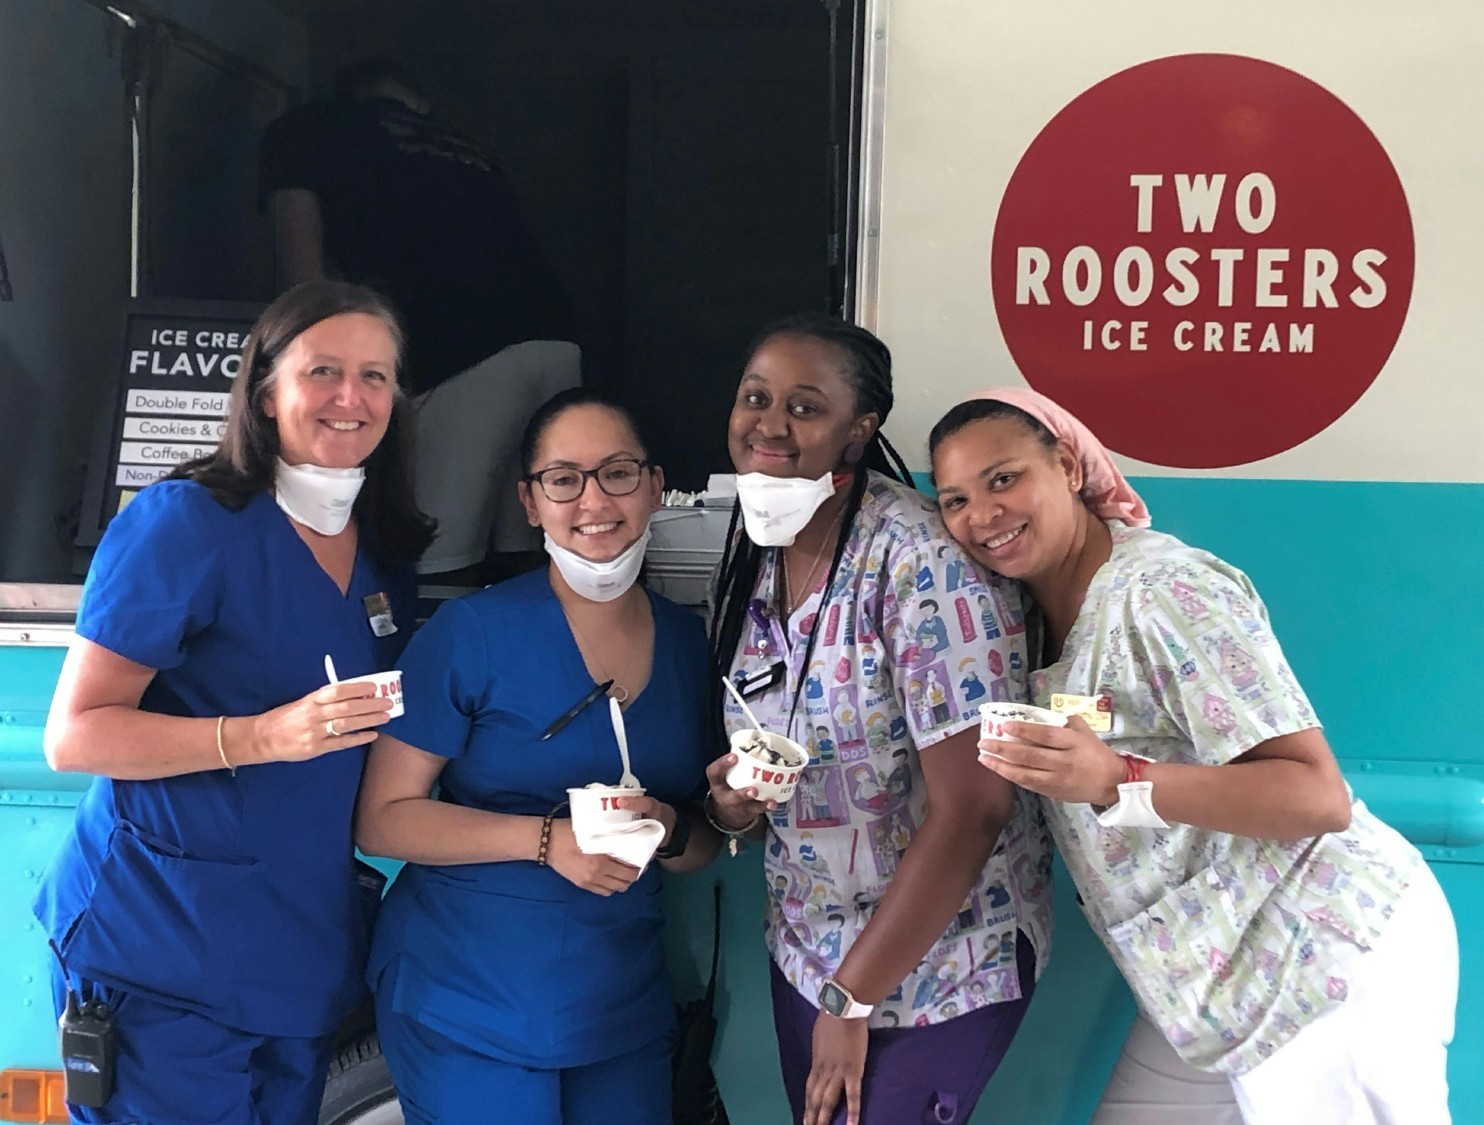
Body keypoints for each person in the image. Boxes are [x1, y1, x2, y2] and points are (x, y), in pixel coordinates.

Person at [928, 386, 1457, 1124]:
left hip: (1315, 946)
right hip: (1200, 975)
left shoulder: (1162, 591)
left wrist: (1118, 778)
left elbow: (1316, 797)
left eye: (1004, 478)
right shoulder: (1026, 618)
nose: (981, 515)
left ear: (1070, 466)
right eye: (953, 499)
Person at [33, 280, 431, 1124]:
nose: (351, 397)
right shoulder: (188, 524)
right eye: (323, 370)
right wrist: (262, 735)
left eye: (376, 375)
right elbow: (75, 734)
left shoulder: (386, 552)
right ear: (265, 389)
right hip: (163, 951)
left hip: (298, 954)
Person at [704, 314, 1053, 1125]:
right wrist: (733, 807)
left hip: (942, 960)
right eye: (756, 397)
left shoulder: (920, 561)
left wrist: (852, 998)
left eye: (804, 407)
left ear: (859, 429)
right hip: (807, 947)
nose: (770, 424)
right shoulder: (758, 547)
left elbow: (976, 806)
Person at [355, 387, 720, 1125]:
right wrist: (545, 841)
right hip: (467, 998)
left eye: (618, 472)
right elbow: (382, 820)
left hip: (619, 1008)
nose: (594, 500)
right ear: (530, 500)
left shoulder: (687, 644)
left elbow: (699, 842)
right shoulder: (473, 634)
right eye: (563, 478)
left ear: (654, 486)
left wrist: (675, 827)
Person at [259, 56, 579, 582]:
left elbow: (303, 284)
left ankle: (425, 662)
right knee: (529, 550)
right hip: (555, 340)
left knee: (433, 557)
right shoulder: (462, 145)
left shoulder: (305, 132)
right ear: (418, 102)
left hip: (460, 352)